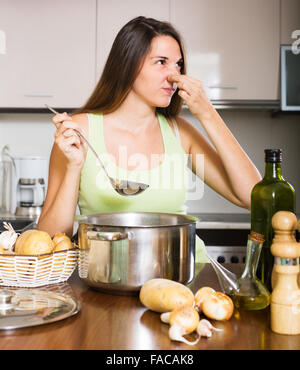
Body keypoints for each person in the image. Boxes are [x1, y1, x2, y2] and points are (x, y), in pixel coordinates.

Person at [37, 16, 261, 262]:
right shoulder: (80, 130)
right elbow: (49, 239)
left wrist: (207, 113)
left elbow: (252, 197)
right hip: (107, 279)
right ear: (129, 65)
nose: (174, 76)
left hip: (185, 278)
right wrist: (73, 167)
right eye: (161, 62)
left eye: (178, 65)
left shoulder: (181, 132)